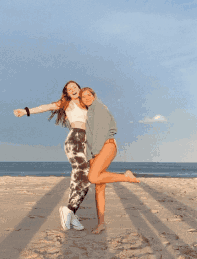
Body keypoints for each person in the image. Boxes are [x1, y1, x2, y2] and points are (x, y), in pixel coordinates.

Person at [13, 80, 91, 231]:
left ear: (80, 89)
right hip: (75, 138)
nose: (72, 89)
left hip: (85, 142)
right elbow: (46, 107)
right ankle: (69, 210)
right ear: (67, 93)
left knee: (84, 180)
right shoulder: (66, 103)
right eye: (69, 89)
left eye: (74, 87)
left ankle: (71, 212)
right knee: (82, 174)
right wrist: (25, 111)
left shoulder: (88, 103)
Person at [80, 87, 140, 234]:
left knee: (93, 177)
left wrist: (95, 153)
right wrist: (90, 157)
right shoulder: (90, 112)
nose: (86, 98)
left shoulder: (98, 108)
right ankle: (101, 224)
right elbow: (90, 136)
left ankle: (126, 177)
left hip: (106, 146)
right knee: (99, 187)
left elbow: (100, 132)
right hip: (96, 150)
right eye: (83, 96)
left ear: (94, 96)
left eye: (89, 95)